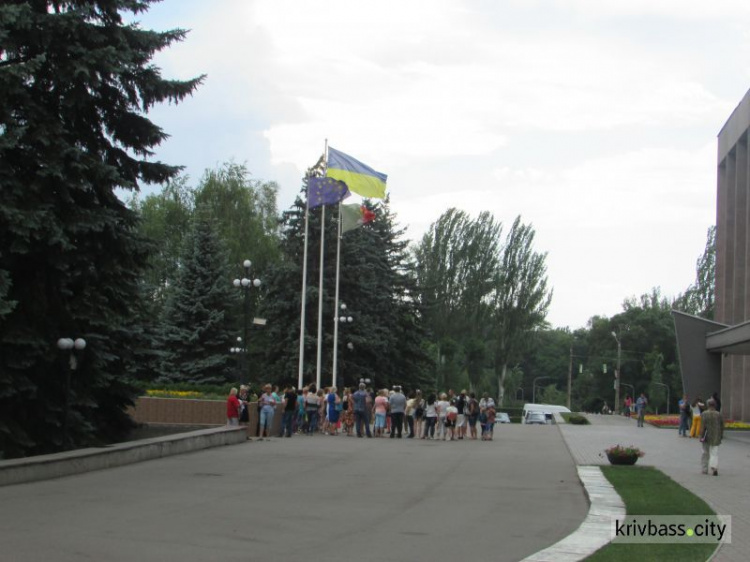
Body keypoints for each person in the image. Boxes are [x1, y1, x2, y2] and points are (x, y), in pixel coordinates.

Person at [700, 398, 724, 476]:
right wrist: (721, 435)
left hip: (706, 436)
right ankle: (714, 468)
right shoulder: (719, 414)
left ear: (708, 405)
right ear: (715, 405)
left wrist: (701, 436)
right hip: (716, 436)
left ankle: (704, 469)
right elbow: (722, 426)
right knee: (714, 453)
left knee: (705, 453)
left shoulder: (704, 414)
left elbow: (702, 426)